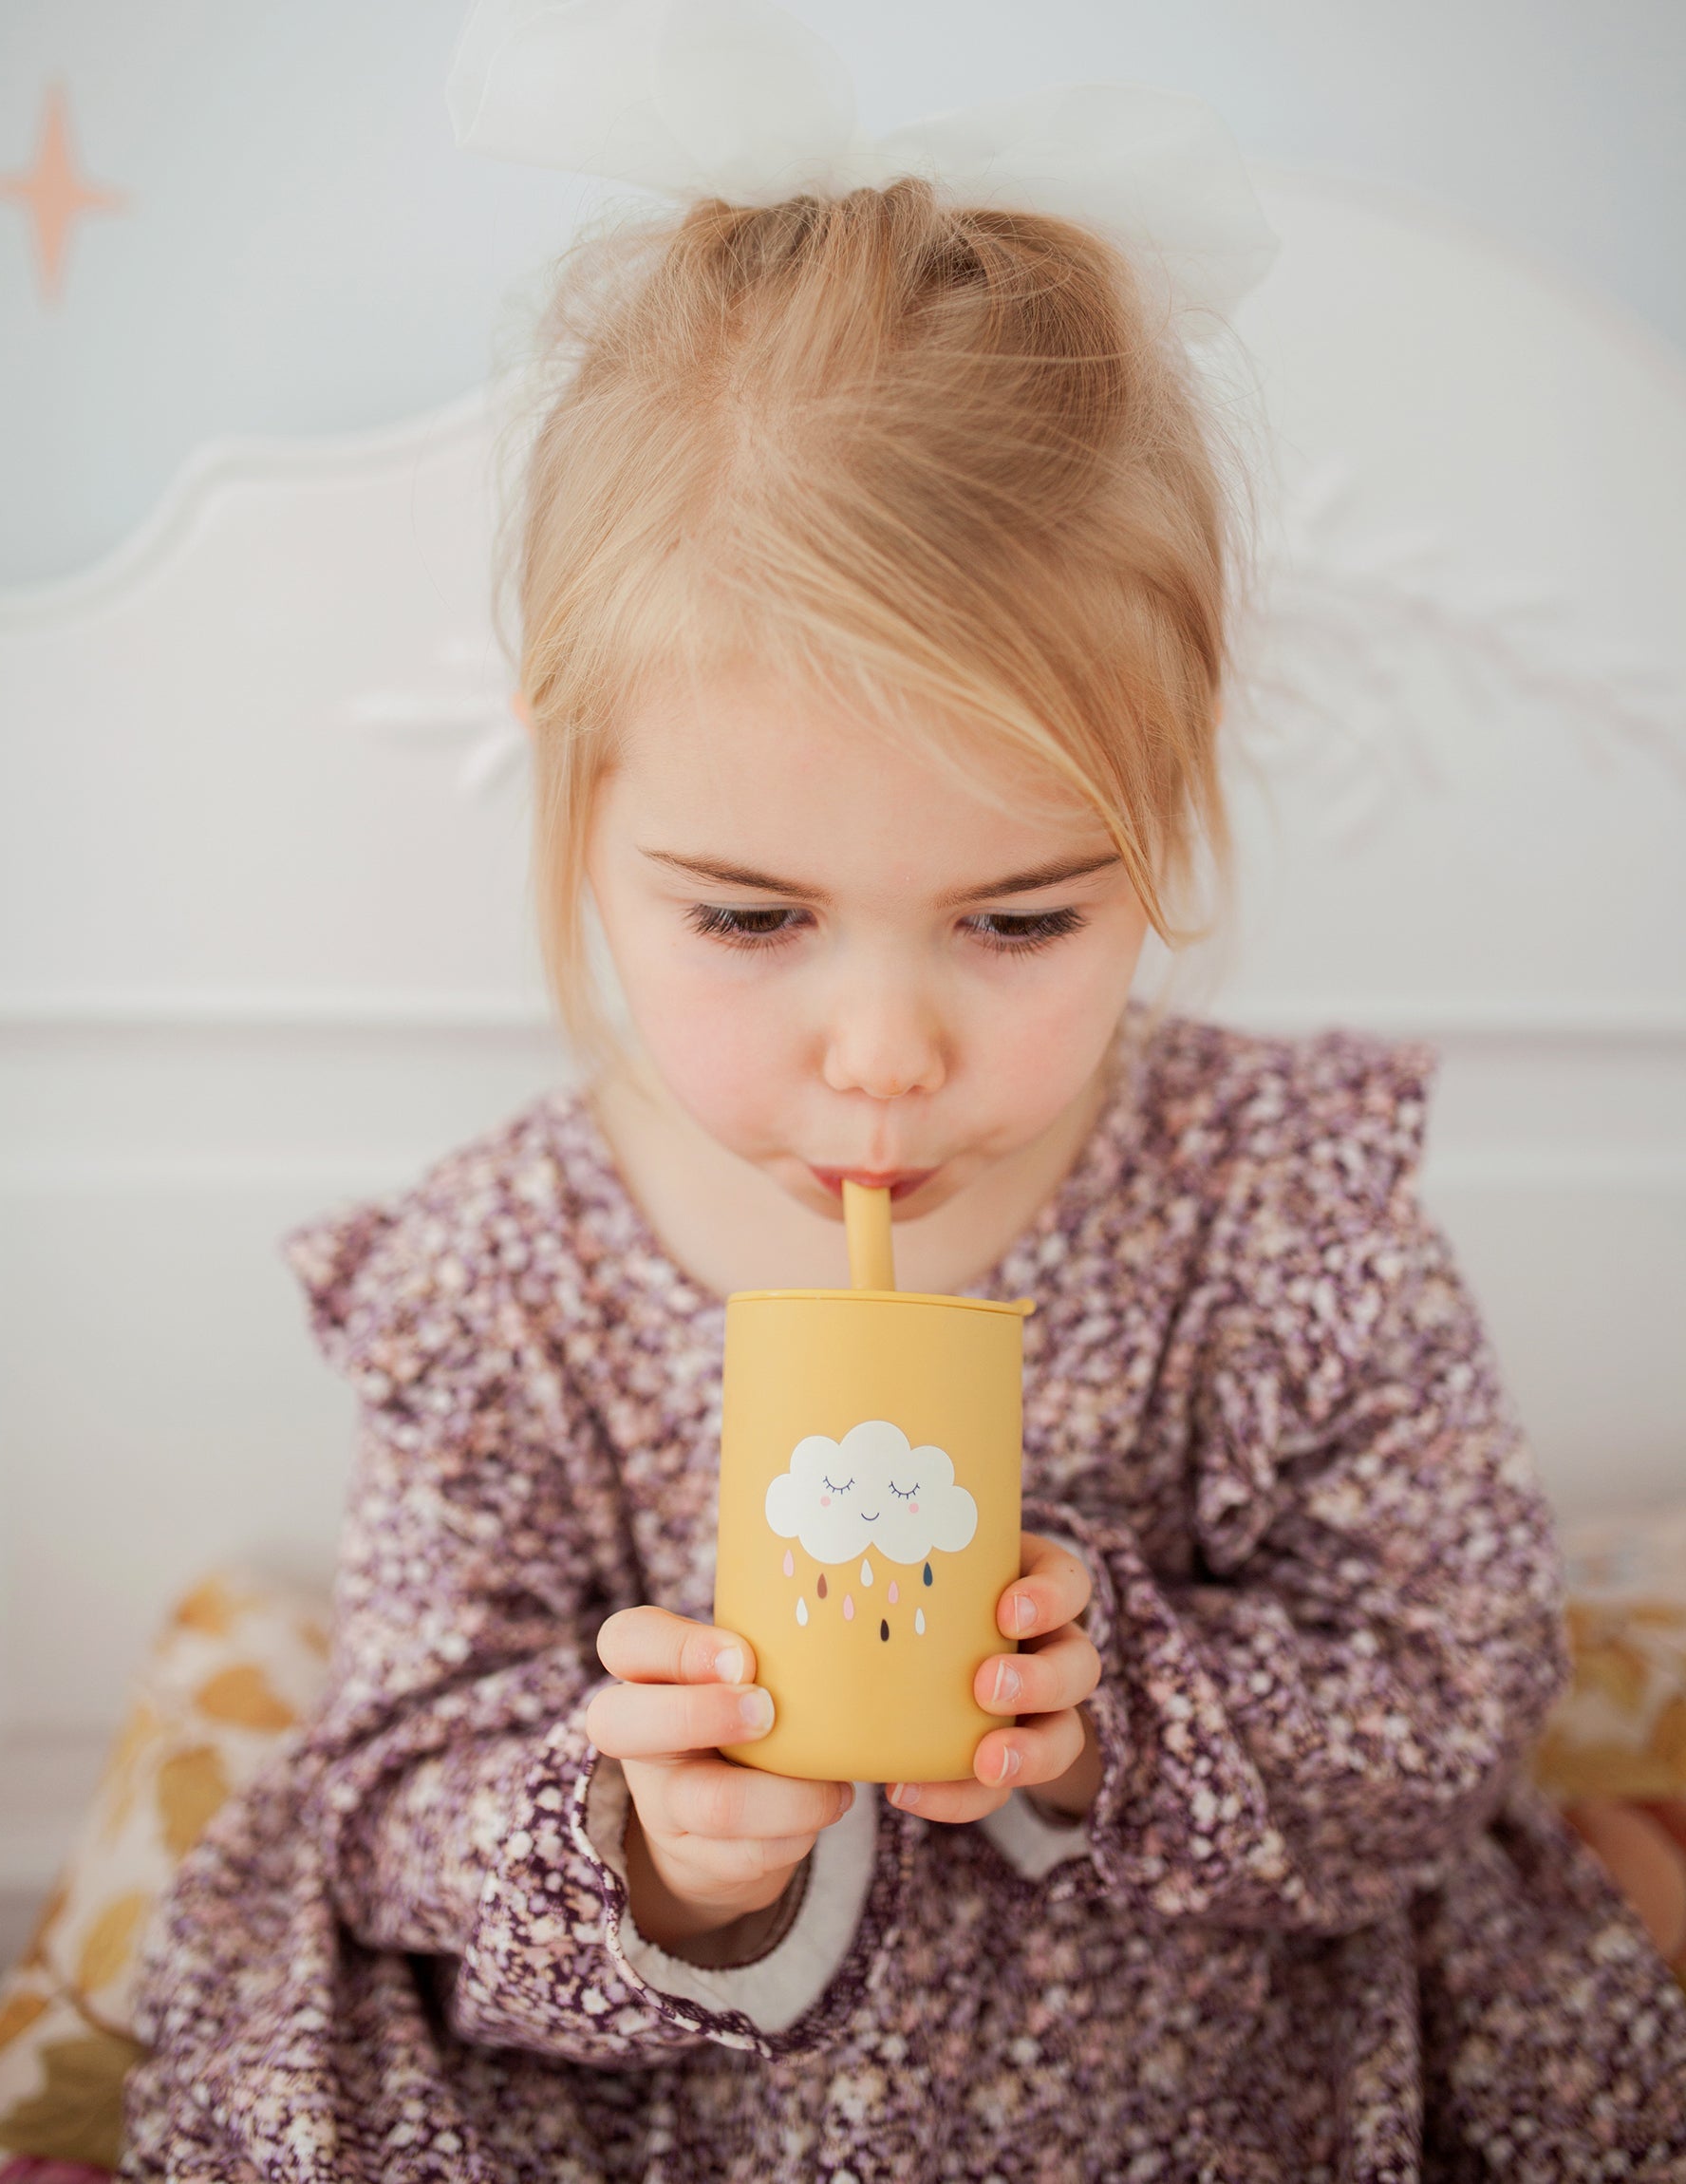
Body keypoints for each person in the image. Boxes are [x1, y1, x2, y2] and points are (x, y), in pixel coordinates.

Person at [122, 11, 1686, 2180]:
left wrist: (1115, 1715)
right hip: (679, 2102)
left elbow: (1451, 1674)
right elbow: (400, 1778)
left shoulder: (1276, 1213)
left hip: (1199, 2063)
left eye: (1019, 920)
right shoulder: (501, 1284)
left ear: (1165, 819)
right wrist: (657, 1842)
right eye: (751, 919)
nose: (883, 1052)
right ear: (582, 815)